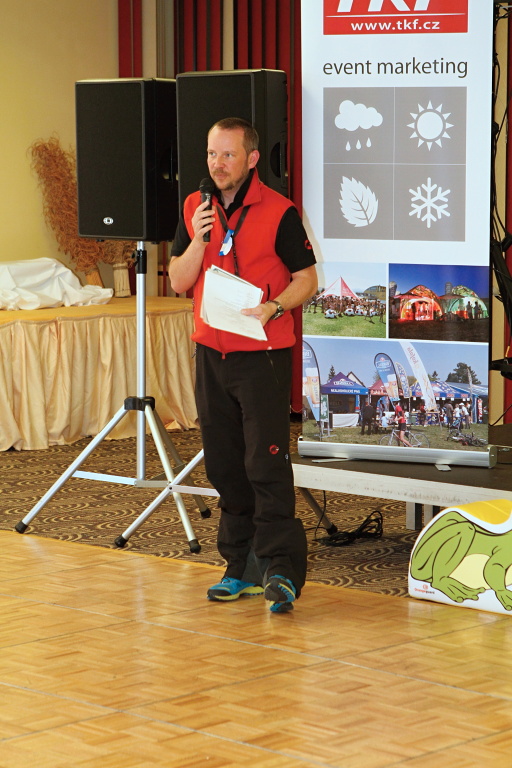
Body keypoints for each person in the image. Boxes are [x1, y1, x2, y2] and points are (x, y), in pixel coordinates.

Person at [169, 117, 318, 613]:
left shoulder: (279, 211)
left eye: (228, 155)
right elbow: (178, 280)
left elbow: (307, 279)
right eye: (212, 154)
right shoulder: (195, 208)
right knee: (225, 465)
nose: (218, 164)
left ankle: (281, 570)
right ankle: (241, 567)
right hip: (212, 355)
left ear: (252, 159)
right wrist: (198, 240)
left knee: (265, 463)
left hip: (263, 356)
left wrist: (275, 306)